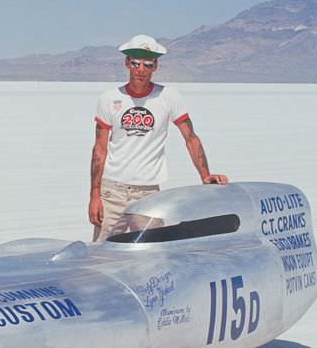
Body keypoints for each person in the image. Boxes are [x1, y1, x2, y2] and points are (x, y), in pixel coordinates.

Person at [88, 34, 228, 241]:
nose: (141, 70)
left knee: (151, 252)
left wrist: (205, 175)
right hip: (112, 192)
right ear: (127, 63)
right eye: (135, 63)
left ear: (155, 66)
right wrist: (94, 195)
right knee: (102, 253)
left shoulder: (168, 97)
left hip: (148, 192)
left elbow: (190, 137)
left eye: (148, 64)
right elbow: (99, 149)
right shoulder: (109, 98)